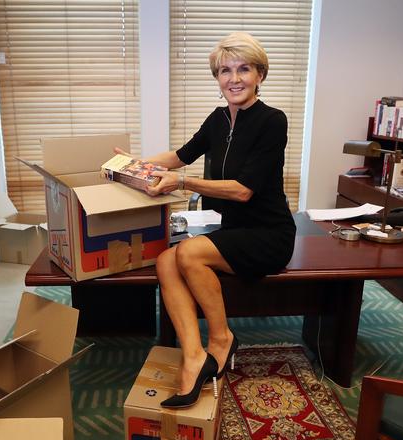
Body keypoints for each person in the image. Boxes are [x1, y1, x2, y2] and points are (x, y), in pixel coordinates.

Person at [115, 32, 296, 408]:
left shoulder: (272, 121)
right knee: (166, 259)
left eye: (244, 69)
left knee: (190, 254)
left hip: (269, 234)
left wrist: (180, 182)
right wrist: (132, 164)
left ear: (260, 74)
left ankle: (221, 339)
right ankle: (194, 354)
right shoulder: (217, 119)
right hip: (234, 230)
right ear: (217, 78)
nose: (234, 78)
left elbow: (244, 190)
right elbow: (181, 156)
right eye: (225, 70)